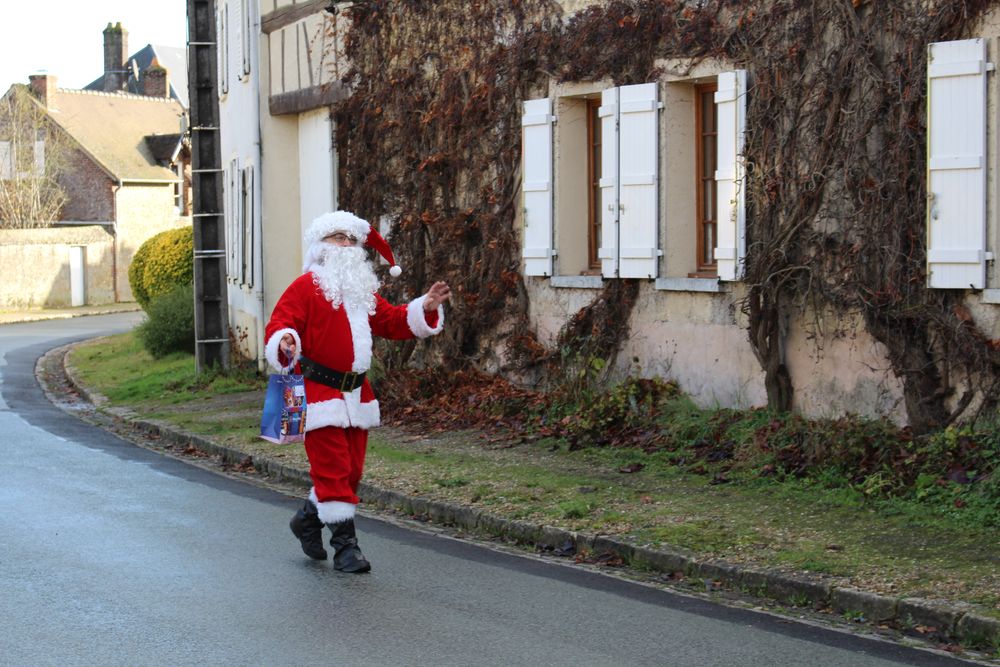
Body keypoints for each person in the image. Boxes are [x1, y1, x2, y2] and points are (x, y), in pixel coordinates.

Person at [264, 210, 450, 573]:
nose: (347, 246)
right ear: (321, 246)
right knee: (332, 470)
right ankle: (346, 548)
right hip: (316, 394)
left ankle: (306, 519)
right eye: (338, 238)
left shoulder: (363, 291)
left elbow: (392, 321)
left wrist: (423, 308)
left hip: (356, 396)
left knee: (350, 473)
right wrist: (285, 340)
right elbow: (281, 324)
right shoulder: (304, 288)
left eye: (352, 240)